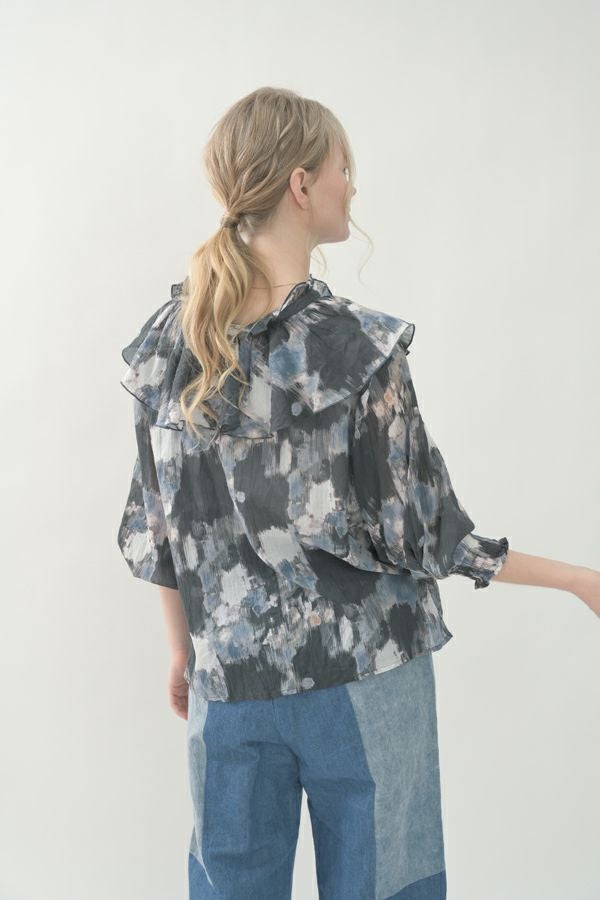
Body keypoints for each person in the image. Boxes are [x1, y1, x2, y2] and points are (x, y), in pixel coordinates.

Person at [116, 86, 600, 900]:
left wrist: (182, 652)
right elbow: (430, 535)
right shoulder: (357, 350)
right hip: (366, 680)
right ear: (301, 184)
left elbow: (159, 526)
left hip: (228, 685)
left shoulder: (172, 344)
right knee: (388, 886)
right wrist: (580, 579)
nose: (353, 185)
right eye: (344, 167)